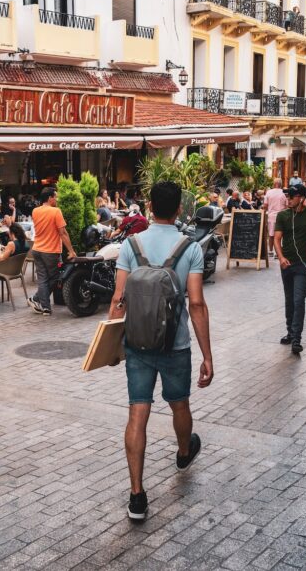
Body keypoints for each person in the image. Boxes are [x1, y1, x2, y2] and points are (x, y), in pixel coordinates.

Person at [107, 182, 213, 522]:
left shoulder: (131, 245)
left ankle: (137, 496)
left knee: (137, 414)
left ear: (150, 207)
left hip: (137, 344)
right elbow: (196, 303)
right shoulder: (190, 249)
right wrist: (207, 356)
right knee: (179, 404)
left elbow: (118, 299)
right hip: (175, 345)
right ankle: (183, 452)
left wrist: (111, 347)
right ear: (179, 209)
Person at [274, 185, 306, 355]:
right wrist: (281, 257)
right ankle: (290, 331)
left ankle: (296, 338)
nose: (288, 199)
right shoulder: (283, 215)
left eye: (292, 196)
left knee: (299, 299)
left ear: (301, 198)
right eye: (287, 196)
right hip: (286, 264)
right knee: (289, 300)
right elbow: (277, 239)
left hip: (303, 264)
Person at [28, 187, 76, 315]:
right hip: (50, 251)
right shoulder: (56, 211)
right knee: (56, 277)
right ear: (50, 198)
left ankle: (45, 307)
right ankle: (36, 299)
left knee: (43, 279)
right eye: (56, 196)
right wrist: (71, 251)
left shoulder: (35, 211)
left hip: (37, 249)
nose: (57, 199)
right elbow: (63, 233)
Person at [262, 180, 288, 253]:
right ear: (281, 185)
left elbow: (265, 205)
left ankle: (270, 251)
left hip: (271, 216)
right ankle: (278, 252)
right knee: (280, 235)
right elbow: (287, 206)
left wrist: (263, 212)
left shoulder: (269, 192)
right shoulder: (284, 193)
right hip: (282, 216)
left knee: (271, 235)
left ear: (274, 184)